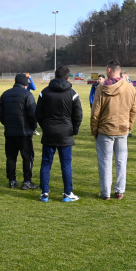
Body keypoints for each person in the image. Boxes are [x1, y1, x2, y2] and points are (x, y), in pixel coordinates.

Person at [91, 59, 136, 200]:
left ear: (109, 70)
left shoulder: (101, 88)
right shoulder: (130, 87)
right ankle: (119, 190)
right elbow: (134, 110)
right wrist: (129, 126)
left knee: (105, 162)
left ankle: (105, 193)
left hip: (105, 130)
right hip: (122, 129)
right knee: (121, 161)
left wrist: (95, 130)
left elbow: (95, 113)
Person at [36, 65, 82, 202]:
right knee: (66, 164)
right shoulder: (72, 93)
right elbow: (78, 115)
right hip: (65, 133)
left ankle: (44, 193)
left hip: (50, 131)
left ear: (55, 76)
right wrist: (74, 130)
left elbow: (38, 113)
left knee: (46, 163)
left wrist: (45, 127)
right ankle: (68, 193)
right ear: (67, 78)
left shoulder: (44, 92)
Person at [0, 74, 38, 190]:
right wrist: (33, 127)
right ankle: (27, 181)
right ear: (25, 85)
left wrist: (8, 124)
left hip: (10, 132)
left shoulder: (5, 94)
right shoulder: (28, 95)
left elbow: (0, 115)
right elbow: (33, 114)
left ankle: (12, 181)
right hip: (24, 132)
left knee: (11, 157)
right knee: (27, 157)